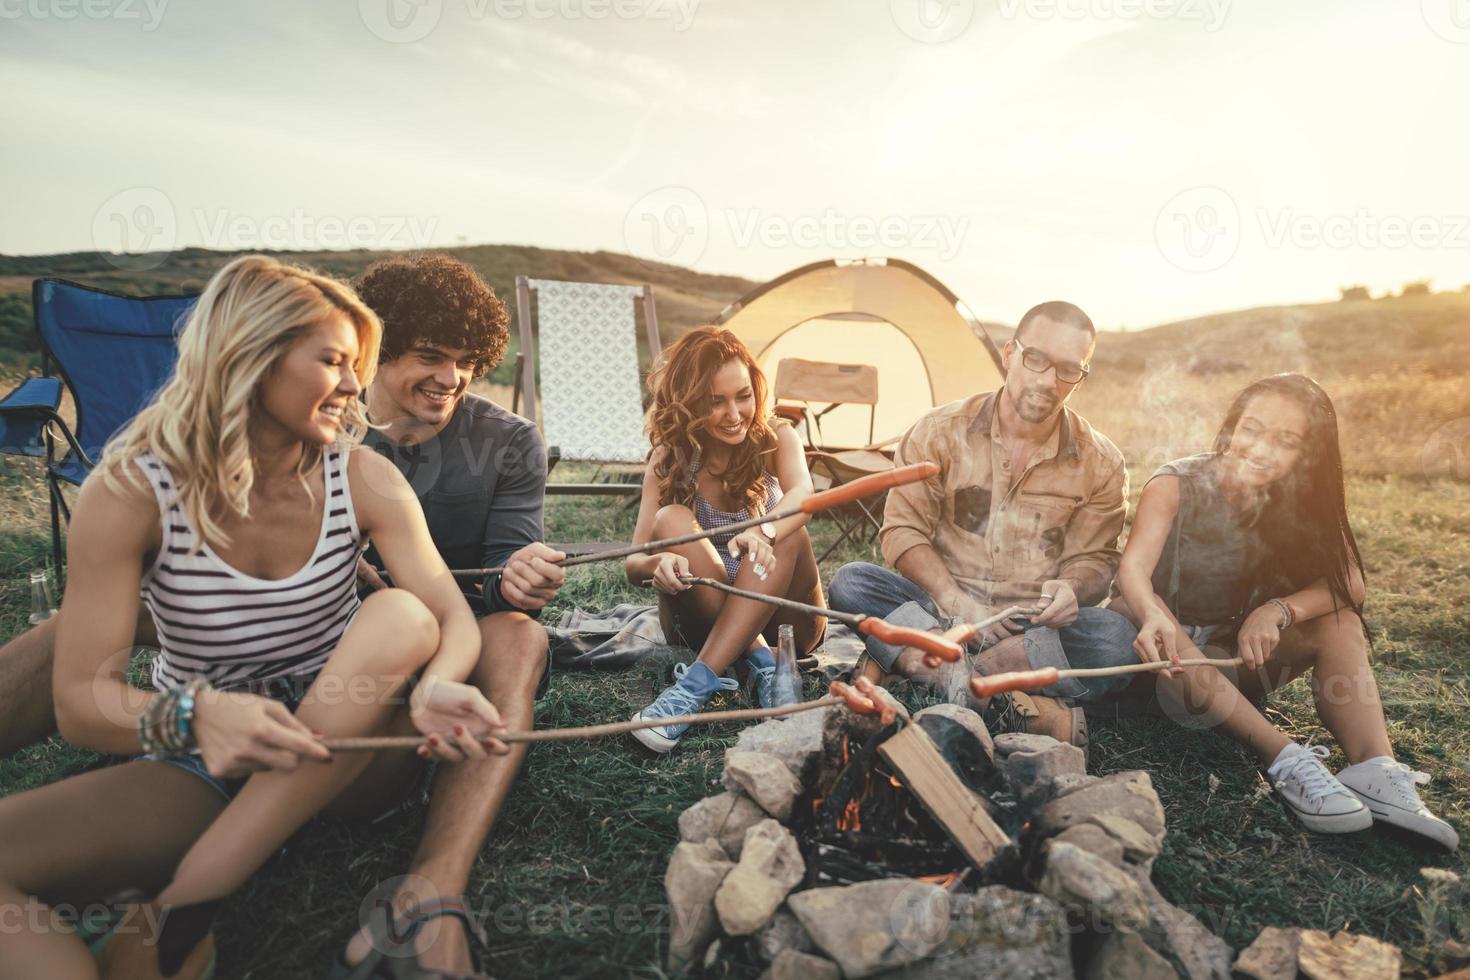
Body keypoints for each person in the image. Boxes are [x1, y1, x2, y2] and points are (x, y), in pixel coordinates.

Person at [0, 255, 508, 980]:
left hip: (355, 743)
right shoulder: (130, 493)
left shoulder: (363, 476)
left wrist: (433, 688)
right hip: (204, 759)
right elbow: (82, 702)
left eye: (355, 364)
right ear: (251, 356)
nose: (355, 385)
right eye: (333, 360)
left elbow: (448, 618)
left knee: (399, 614)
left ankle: (189, 902)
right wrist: (199, 718)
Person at [1113, 373, 1457, 849]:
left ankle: (1375, 770)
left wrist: (1277, 610)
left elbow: (1351, 582)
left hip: (1231, 661)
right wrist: (1150, 612)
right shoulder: (1175, 484)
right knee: (1161, 621)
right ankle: (1287, 760)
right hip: (1158, 664)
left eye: (1285, 441)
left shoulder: (1295, 499)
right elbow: (1132, 570)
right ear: (1233, 426)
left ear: (1305, 454)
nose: (1260, 448)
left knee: (1339, 621)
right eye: (1251, 429)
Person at [344, 252, 565, 974]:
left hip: (462, 653)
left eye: (467, 360)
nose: (451, 377)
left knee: (523, 638)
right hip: (348, 666)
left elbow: (505, 574)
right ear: (374, 348)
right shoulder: (324, 432)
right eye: (430, 356)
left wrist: (518, 581)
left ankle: (434, 887)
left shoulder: (507, 442)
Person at [827, 301, 1138, 746]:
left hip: (1031, 629)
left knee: (1116, 640)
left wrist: (1071, 587)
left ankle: (937, 673)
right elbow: (902, 531)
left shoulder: (1101, 461)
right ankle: (1010, 698)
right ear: (1010, 353)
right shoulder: (937, 431)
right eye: (1037, 360)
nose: (1049, 381)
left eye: (1069, 370)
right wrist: (961, 607)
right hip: (942, 609)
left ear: (1082, 375)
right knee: (852, 584)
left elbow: (1094, 561)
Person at [625, 326, 825, 753]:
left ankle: (693, 689)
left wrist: (764, 530)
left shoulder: (776, 439)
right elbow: (634, 560)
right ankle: (757, 667)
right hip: (703, 616)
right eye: (715, 402)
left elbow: (804, 496)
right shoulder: (669, 461)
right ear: (690, 403)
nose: (735, 413)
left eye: (743, 395)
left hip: (786, 623)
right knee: (671, 517)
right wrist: (656, 566)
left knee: (788, 528)